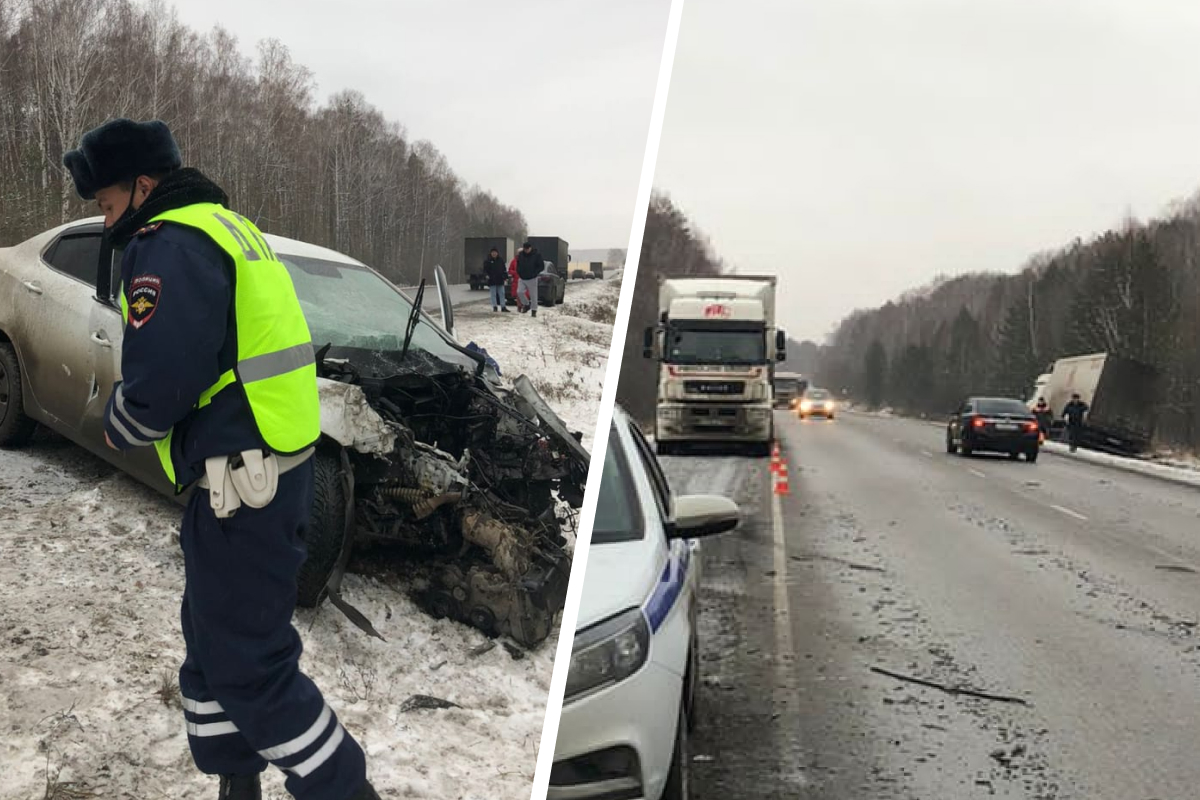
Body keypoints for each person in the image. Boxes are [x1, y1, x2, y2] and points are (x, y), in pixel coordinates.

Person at [63, 119, 379, 800]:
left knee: (249, 666)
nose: (104, 214)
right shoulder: (228, 227)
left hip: (244, 484)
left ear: (142, 185)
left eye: (106, 199)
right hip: (261, 469)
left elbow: (163, 378)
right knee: (211, 644)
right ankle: (237, 784)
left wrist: (120, 421)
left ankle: (344, 790)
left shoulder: (169, 243)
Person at [515, 241, 543, 317]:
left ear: (530, 248)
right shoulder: (521, 255)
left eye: (528, 249)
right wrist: (519, 271)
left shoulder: (536, 255)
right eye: (525, 249)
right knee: (519, 292)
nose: (526, 250)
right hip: (522, 277)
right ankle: (526, 304)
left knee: (533, 295)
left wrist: (535, 273)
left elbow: (541, 266)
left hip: (532, 278)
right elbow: (518, 264)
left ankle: (534, 310)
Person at [483, 247, 509, 312]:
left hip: (500, 279)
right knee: (493, 294)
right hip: (492, 280)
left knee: (502, 293)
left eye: (495, 252)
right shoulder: (488, 261)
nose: (494, 254)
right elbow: (485, 270)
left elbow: (504, 269)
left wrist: (505, 277)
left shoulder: (500, 260)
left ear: (497, 253)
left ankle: (503, 307)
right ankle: (495, 306)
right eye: (493, 252)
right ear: (491, 253)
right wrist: (486, 275)